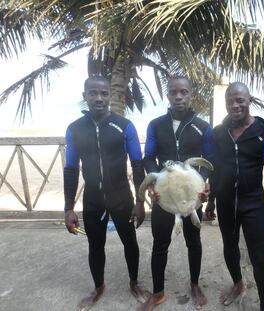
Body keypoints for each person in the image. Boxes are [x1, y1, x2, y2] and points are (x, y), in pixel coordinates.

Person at [64, 76, 148, 310]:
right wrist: (68, 207)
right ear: (85, 96)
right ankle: (99, 287)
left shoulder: (124, 125)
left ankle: (134, 282)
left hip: (122, 196)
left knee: (130, 242)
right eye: (93, 93)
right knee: (95, 245)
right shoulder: (74, 129)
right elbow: (71, 168)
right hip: (93, 199)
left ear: (110, 96)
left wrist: (140, 201)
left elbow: (138, 164)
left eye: (104, 93)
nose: (98, 98)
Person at [206, 82, 264, 311]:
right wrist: (211, 200)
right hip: (226, 203)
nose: (235, 104)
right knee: (229, 248)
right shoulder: (218, 133)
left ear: (249, 100)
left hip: (253, 205)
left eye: (240, 100)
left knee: (259, 257)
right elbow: (215, 168)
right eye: (230, 100)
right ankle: (238, 284)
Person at [141, 77, 213, 311]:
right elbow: (149, 157)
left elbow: (208, 160)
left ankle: (194, 284)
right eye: (174, 92)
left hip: (192, 195)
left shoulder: (203, 126)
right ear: (168, 95)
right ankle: (158, 292)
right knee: (160, 243)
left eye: (184, 92)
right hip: (165, 196)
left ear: (191, 95)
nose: (179, 96)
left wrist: (203, 186)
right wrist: (153, 182)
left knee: (194, 241)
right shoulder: (156, 125)